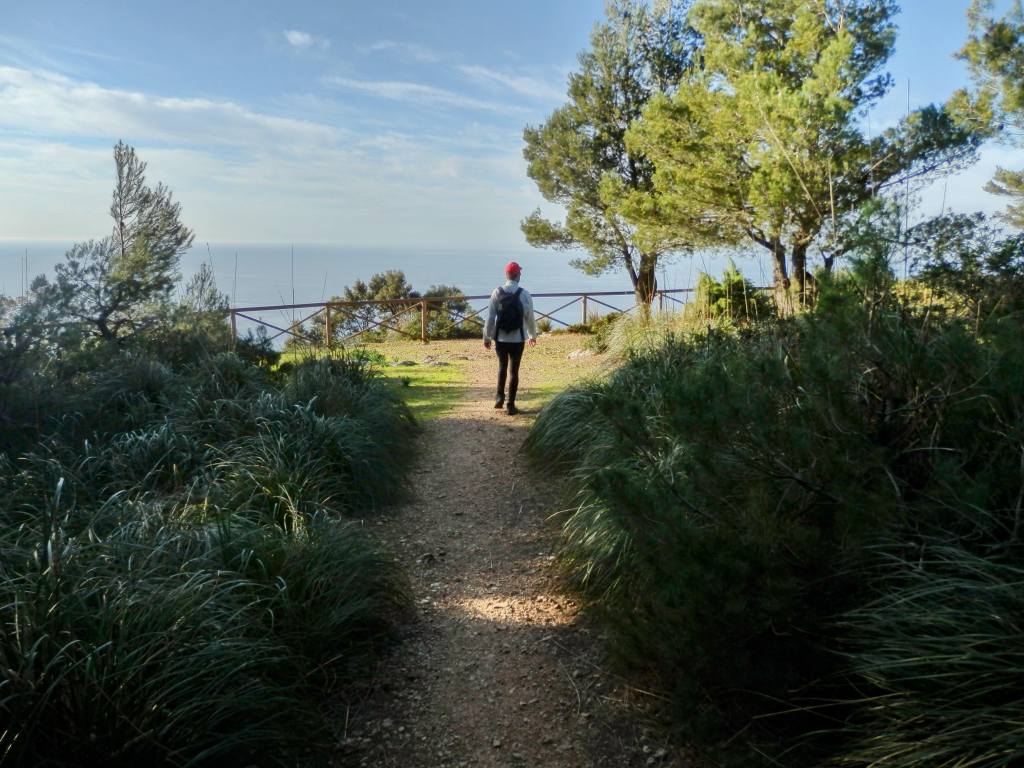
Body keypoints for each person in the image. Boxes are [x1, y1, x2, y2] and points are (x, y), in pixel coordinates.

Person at [483, 261, 537, 415]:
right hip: (518, 339)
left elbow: (490, 317)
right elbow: (530, 317)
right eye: (519, 273)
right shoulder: (524, 294)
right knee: (514, 371)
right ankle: (511, 405)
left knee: (502, 367)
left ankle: (499, 397)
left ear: (506, 275)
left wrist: (487, 337)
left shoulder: (497, 292)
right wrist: (532, 335)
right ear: (517, 275)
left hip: (500, 338)